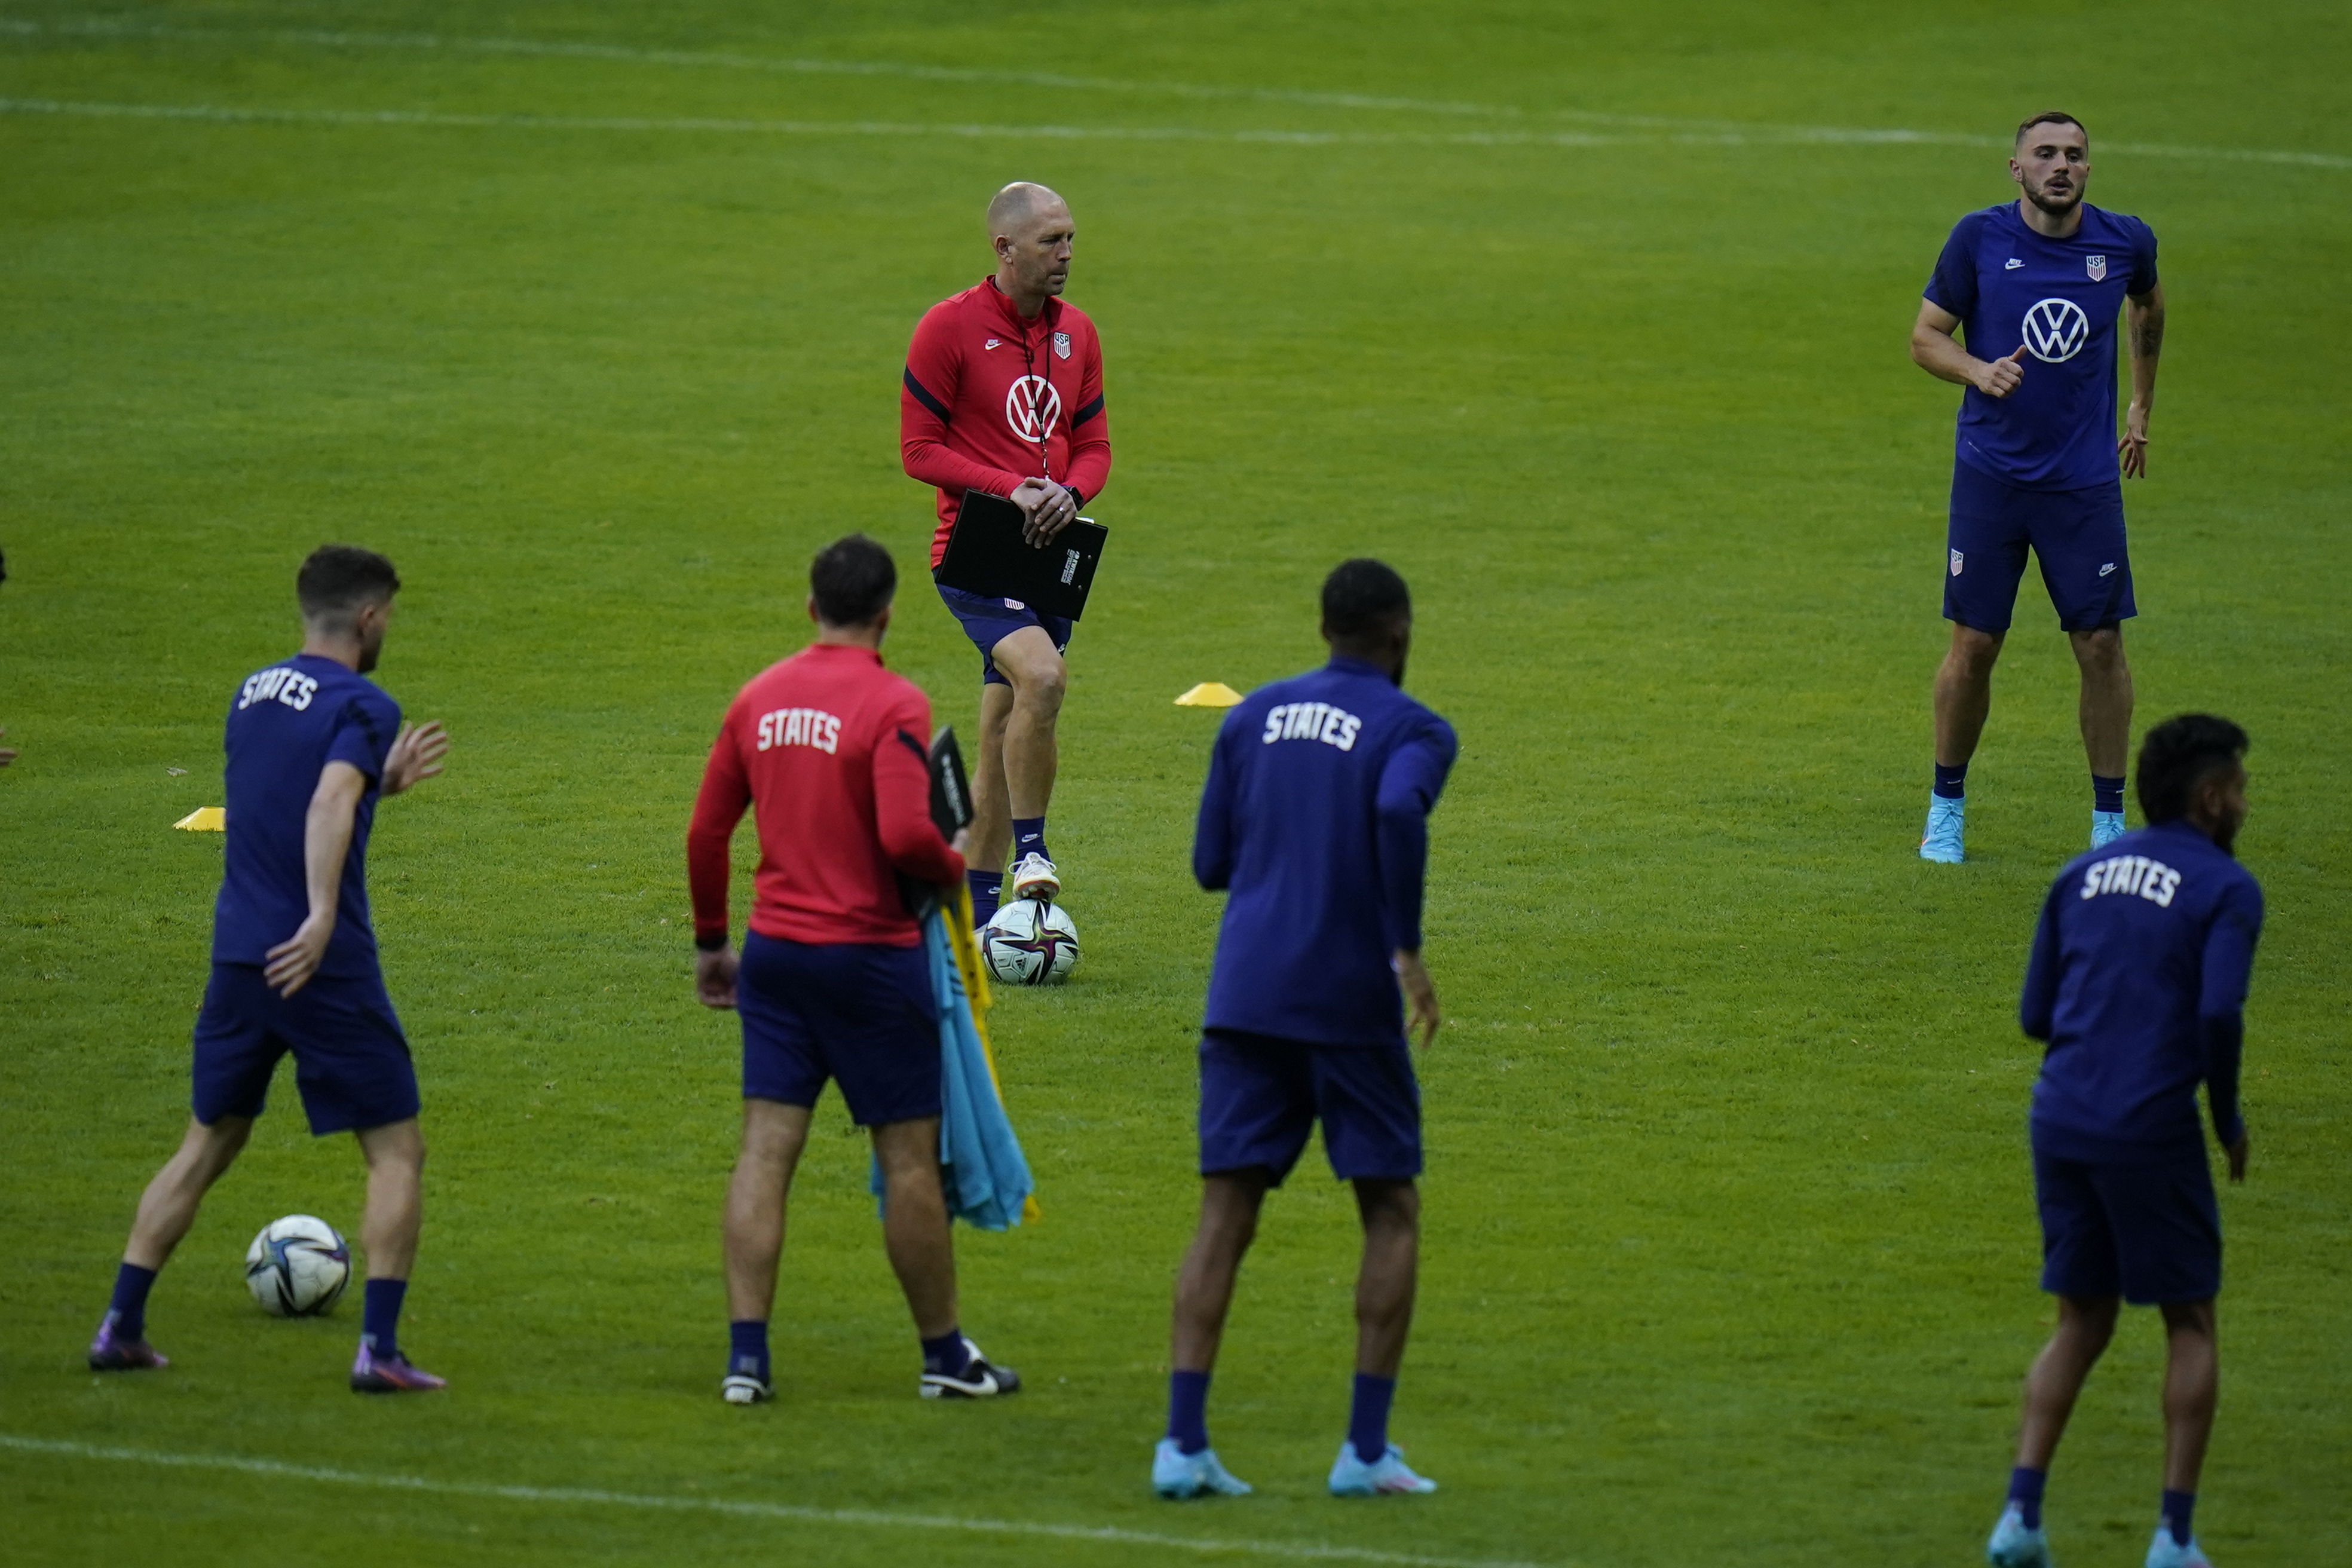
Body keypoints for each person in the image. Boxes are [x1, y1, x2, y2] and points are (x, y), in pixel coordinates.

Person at [88, 545, 452, 1392]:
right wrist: (322, 915)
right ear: (367, 618)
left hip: (238, 956)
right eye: (387, 616)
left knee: (207, 1141)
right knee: (397, 1150)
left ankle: (119, 1326)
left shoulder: (252, 694)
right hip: (322, 961)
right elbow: (325, 801)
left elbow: (285, 798)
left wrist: (379, 785)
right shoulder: (364, 699)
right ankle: (380, 1352)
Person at [687, 533, 1021, 1405]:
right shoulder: (892, 703)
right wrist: (955, 862)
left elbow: (706, 833)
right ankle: (945, 1357)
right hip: (872, 962)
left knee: (764, 1153)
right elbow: (907, 838)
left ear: (810, 608)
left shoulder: (758, 698)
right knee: (910, 1163)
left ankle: (746, 1361)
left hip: (778, 959)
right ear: (887, 614)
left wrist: (712, 944)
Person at [1154, 559, 1456, 1501]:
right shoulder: (1415, 728)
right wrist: (1404, 949)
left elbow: (1211, 864)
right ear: (1399, 634)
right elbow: (1396, 806)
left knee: (1225, 1216)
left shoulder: (1249, 717)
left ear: (1323, 627)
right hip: (1345, 1001)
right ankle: (1365, 1453)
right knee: (1390, 1209)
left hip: (1243, 994)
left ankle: (1182, 1446)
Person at [1985, 715, 2261, 1568]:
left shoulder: (2081, 874)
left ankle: (2020, 1521)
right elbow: (2217, 1011)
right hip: (2148, 1127)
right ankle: (2174, 1539)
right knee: (2191, 1322)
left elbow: (2036, 1016)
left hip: (2059, 1117)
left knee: (2082, 1319)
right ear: (2211, 799)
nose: (2247, 805)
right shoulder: (2225, 888)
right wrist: (2225, 1119)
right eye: (2241, 790)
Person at [1910, 111, 2165, 863]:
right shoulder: (1979, 239)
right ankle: (1946, 808)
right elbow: (1926, 337)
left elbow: (2147, 305)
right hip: (1993, 476)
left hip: (2083, 483)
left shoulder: (2125, 242)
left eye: (2076, 155)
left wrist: (2141, 401)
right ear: (2015, 169)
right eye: (2045, 154)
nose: (2062, 165)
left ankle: (2108, 825)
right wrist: (1977, 370)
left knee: (2100, 643)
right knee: (1977, 642)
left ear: (2090, 168)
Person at [901, 180, 1111, 927]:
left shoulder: (1077, 333)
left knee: (999, 731)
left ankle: (984, 917)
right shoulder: (948, 328)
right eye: (1051, 240)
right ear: (1005, 248)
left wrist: (1070, 495)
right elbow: (918, 449)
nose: (1066, 254)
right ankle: (1033, 851)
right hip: (978, 551)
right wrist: (1011, 489)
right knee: (1045, 677)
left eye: (1070, 238)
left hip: (1049, 555)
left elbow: (1094, 446)